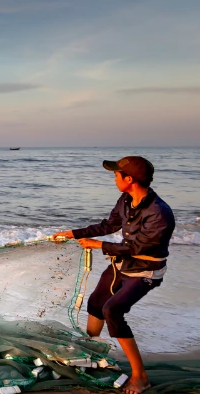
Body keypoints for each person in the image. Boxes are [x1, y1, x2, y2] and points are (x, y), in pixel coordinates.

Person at [53, 156, 175, 394]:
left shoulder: (159, 213)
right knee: (96, 303)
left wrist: (97, 246)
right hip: (122, 263)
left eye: (116, 174)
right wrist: (73, 233)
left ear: (129, 179)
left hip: (145, 271)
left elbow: (138, 248)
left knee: (113, 310)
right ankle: (90, 352)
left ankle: (140, 377)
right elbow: (109, 226)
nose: (114, 178)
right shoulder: (126, 199)